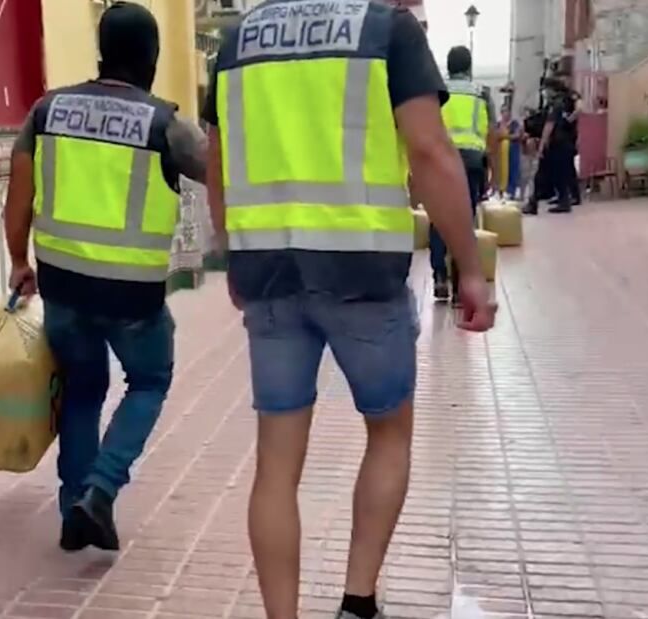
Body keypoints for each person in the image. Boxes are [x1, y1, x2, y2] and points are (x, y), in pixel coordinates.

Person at [203, 2, 498, 618]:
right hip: (362, 268)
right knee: (388, 433)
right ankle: (356, 603)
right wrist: (468, 266)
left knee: (276, 464)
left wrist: (232, 254)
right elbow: (430, 152)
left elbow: (219, 162)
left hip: (270, 269)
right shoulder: (386, 29)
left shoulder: (238, 41)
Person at [3, 1, 207, 552]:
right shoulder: (165, 123)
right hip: (132, 297)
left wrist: (20, 262)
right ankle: (99, 491)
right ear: (151, 56)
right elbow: (220, 174)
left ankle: (74, 510)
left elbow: (18, 193)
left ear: (101, 50)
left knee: (82, 390)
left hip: (63, 284)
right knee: (149, 380)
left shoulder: (46, 111)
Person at [429, 45, 498, 302]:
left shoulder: (438, 92)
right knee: (464, 220)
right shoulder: (482, 94)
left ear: (448, 67)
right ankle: (460, 284)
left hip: (441, 162)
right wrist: (494, 171)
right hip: (471, 163)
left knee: (438, 218)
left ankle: (439, 276)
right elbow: (492, 133)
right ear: (469, 68)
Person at [523, 80, 574, 215]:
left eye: (545, 89)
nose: (544, 92)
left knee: (541, 175)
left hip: (555, 144)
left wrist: (541, 146)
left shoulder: (555, 104)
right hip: (564, 143)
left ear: (551, 89)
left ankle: (533, 203)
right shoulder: (565, 102)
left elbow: (549, 125)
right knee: (559, 175)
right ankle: (563, 201)